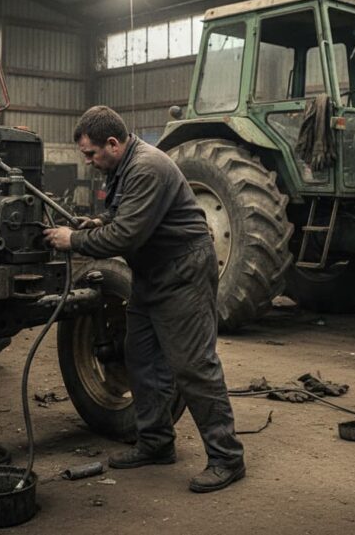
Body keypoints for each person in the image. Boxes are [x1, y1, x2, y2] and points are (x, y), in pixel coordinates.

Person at [43, 105, 245, 493]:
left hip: (182, 271)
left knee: (193, 366)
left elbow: (126, 237)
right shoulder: (124, 166)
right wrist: (98, 222)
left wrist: (75, 240)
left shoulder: (148, 166)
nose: (88, 162)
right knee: (142, 356)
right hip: (152, 272)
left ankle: (227, 458)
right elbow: (125, 217)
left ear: (113, 143)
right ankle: (155, 442)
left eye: (91, 154)